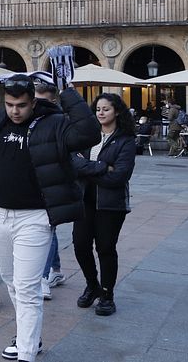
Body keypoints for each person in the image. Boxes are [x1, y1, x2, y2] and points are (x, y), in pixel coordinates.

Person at [0, 74, 100, 362]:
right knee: (11, 281)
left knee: (29, 288)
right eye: (9, 104)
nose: (14, 111)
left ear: (33, 101)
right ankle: (27, 337)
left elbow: (89, 134)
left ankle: (27, 354)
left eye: (21, 105)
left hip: (34, 218)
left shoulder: (54, 124)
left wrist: (67, 91)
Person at [67, 93, 136, 317]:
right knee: (80, 245)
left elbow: (119, 176)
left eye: (105, 109)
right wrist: (102, 167)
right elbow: (73, 162)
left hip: (110, 204)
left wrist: (88, 168)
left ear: (116, 111)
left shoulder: (125, 139)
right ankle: (91, 284)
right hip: (84, 200)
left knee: (105, 248)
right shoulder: (87, 136)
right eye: (98, 109)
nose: (101, 113)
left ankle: (107, 295)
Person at [33, 83, 66, 300]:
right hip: (31, 185)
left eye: (40, 101)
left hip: (52, 184)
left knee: (47, 228)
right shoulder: (29, 121)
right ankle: (55, 270)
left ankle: (43, 278)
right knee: (48, 229)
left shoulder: (61, 124)